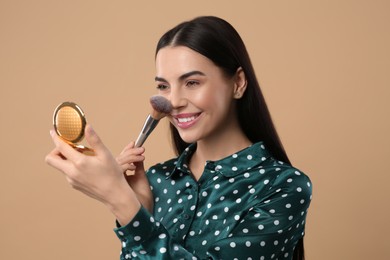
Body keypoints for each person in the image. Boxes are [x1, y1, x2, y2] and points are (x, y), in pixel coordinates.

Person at [46, 16, 312, 260]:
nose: (173, 101)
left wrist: (122, 204)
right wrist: (141, 211)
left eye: (192, 82)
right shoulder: (157, 181)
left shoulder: (283, 186)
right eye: (163, 86)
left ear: (238, 83)